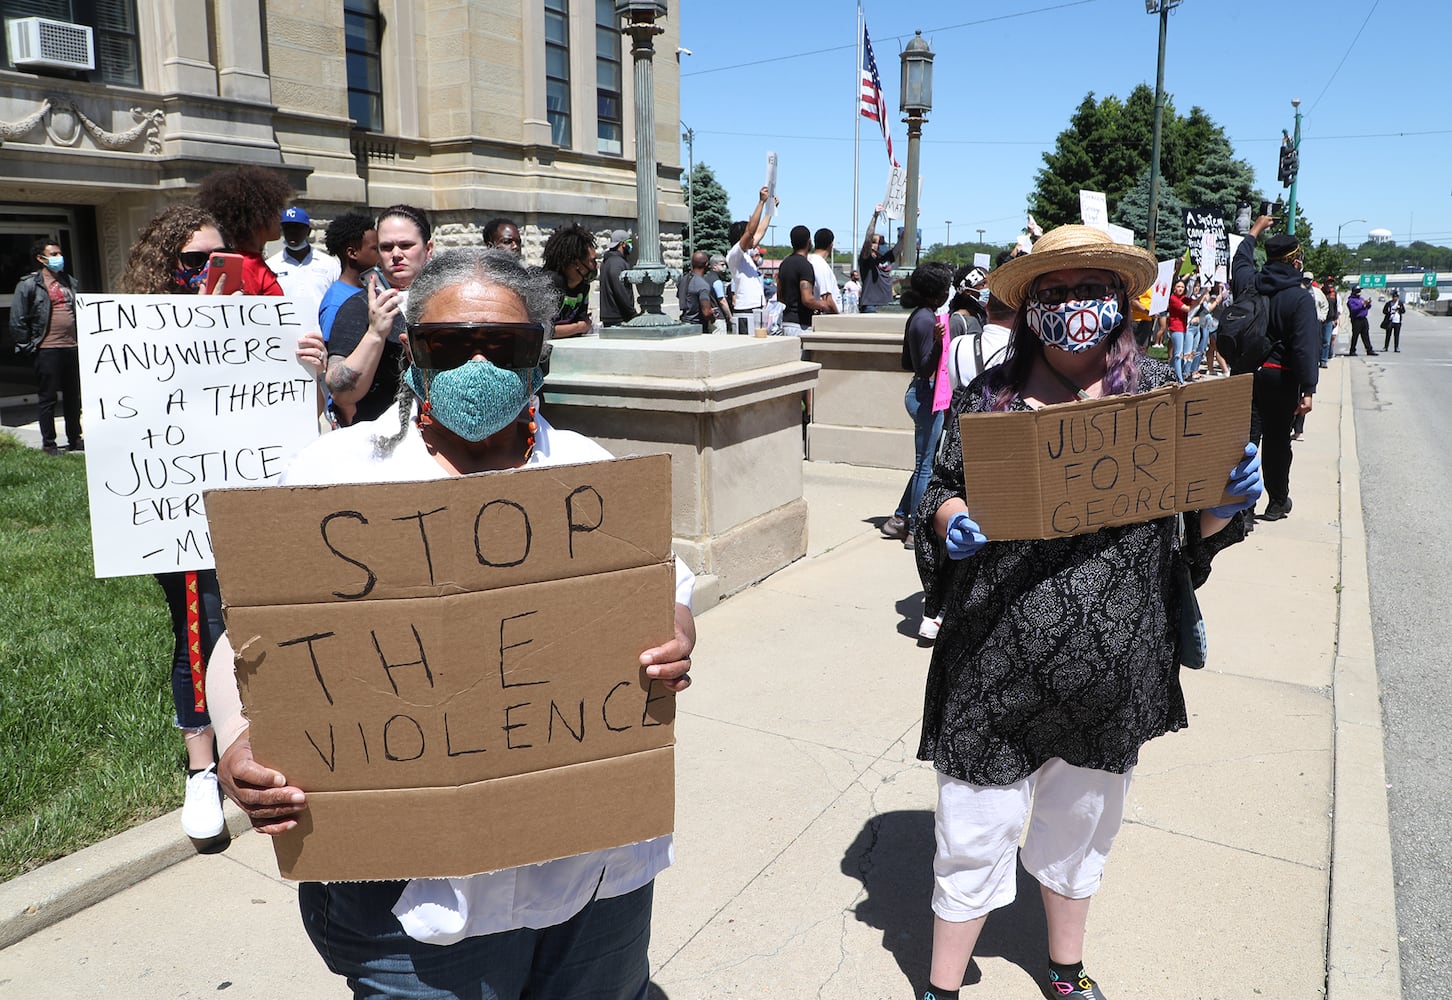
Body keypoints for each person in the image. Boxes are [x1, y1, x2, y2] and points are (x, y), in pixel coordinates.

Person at [211, 246, 697, 999]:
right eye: (450, 344)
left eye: (505, 346)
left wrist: (672, 624)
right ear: (412, 352)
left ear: (540, 357)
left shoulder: (592, 477)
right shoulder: (332, 477)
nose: (480, 365)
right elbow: (246, 632)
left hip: (592, 880)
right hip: (412, 900)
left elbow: (667, 589)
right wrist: (238, 741)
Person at [911, 224, 1262, 1000]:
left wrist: (1225, 502)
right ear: (1030, 307)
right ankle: (940, 986)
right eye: (1056, 292)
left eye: (1093, 289)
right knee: (972, 831)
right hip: (992, 665)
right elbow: (935, 491)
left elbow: (1193, 531)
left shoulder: (1165, 403)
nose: (1076, 306)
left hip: (1114, 664)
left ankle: (1065, 971)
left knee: (1082, 829)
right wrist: (948, 522)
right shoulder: (988, 402)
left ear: (1123, 302)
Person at [117, 203, 327, 840]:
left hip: (249, 507)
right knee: (198, 629)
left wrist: (304, 370)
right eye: (190, 262)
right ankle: (202, 770)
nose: (206, 272)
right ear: (163, 268)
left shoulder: (260, 329)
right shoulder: (132, 335)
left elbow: (297, 421)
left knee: (253, 622)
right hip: (174, 507)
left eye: (218, 259)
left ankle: (264, 732)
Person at [1232, 215, 1319, 522]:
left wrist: (1254, 231)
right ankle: (1277, 502)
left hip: (1245, 376)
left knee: (1246, 441)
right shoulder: (1299, 297)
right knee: (1277, 442)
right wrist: (1308, 389)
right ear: (1295, 264)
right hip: (1280, 379)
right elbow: (1305, 347)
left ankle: (1241, 506)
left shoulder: (1250, 284)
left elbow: (1240, 261)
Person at [326, 204, 433, 426]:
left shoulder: (450, 301)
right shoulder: (357, 307)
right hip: (382, 440)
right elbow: (340, 392)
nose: (396, 255)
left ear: (428, 249)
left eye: (406, 245)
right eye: (386, 247)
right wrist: (375, 333)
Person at [880, 262, 953, 566]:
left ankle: (899, 518)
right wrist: (937, 344)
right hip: (925, 396)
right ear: (937, 293)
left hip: (923, 394)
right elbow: (922, 366)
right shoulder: (925, 321)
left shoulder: (921, 316)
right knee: (926, 466)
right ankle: (915, 530)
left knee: (925, 462)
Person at [9, 238, 81, 455]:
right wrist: (27, 345)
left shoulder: (69, 282)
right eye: (54, 254)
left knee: (73, 396)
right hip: (47, 348)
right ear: (41, 258)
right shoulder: (30, 284)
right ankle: (49, 443)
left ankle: (74, 438)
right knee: (48, 398)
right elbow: (17, 318)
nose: (59, 258)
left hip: (72, 347)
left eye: (60, 253)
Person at [195, 166, 293, 295]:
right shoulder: (243, 267)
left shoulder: (250, 262)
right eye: (276, 211)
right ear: (258, 216)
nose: (281, 217)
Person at [267, 206, 341, 328]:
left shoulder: (329, 264)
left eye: (297, 227)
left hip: (320, 335)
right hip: (284, 335)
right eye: (287, 228)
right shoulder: (271, 266)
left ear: (308, 231)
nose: (292, 232)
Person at [317, 210, 380, 342]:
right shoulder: (336, 303)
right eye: (375, 249)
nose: (382, 254)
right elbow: (333, 354)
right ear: (352, 253)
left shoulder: (373, 289)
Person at [726, 186, 773, 332]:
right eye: (749, 237)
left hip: (757, 310)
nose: (753, 239)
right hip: (745, 311)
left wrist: (770, 210)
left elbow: (759, 231)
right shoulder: (734, 254)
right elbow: (751, 231)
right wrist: (760, 203)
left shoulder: (746, 255)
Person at [541, 222, 597, 339]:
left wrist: (578, 327)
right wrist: (579, 327)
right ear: (576, 264)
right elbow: (543, 330)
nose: (596, 266)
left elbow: (582, 324)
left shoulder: (583, 287)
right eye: (592, 261)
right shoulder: (551, 283)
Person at [776, 225, 830, 335]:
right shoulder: (805, 265)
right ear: (809, 242)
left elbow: (780, 297)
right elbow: (807, 299)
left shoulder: (784, 264)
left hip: (786, 323)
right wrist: (823, 305)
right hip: (800, 326)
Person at [858, 204, 907, 312]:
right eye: (876, 242)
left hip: (888, 304)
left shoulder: (887, 258)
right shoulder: (866, 259)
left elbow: (901, 243)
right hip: (871, 305)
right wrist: (875, 217)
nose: (879, 244)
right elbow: (868, 238)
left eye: (882, 242)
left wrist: (912, 217)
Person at [598, 229, 637, 328]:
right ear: (622, 244)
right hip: (619, 318)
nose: (630, 246)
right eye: (629, 243)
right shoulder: (618, 263)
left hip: (609, 316)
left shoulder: (606, 262)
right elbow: (620, 290)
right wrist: (632, 313)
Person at [677, 251, 718, 333]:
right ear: (706, 264)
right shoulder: (703, 285)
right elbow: (706, 313)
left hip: (683, 323)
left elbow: (681, 297)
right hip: (697, 326)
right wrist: (713, 316)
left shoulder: (683, 279)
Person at [808, 228, 841, 315]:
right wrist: (839, 317)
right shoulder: (821, 264)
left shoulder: (809, 260)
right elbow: (827, 299)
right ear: (831, 244)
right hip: (827, 317)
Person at [1346, 285, 1376, 356]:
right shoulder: (1351, 300)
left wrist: (1368, 304)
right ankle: (1352, 350)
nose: (1360, 292)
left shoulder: (1361, 299)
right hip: (1356, 319)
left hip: (1363, 319)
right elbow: (1353, 309)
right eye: (1358, 291)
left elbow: (1366, 307)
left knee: (1365, 335)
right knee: (1355, 335)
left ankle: (1369, 349)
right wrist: (1362, 305)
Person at [1320, 276, 1338, 367]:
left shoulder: (1334, 293)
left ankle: (1323, 360)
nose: (1330, 284)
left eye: (1331, 282)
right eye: (1328, 282)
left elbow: (1335, 307)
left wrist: (1335, 319)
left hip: (1329, 320)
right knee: (1318, 340)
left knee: (1326, 341)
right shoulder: (1320, 292)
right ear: (1325, 283)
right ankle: (1317, 358)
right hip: (1319, 320)